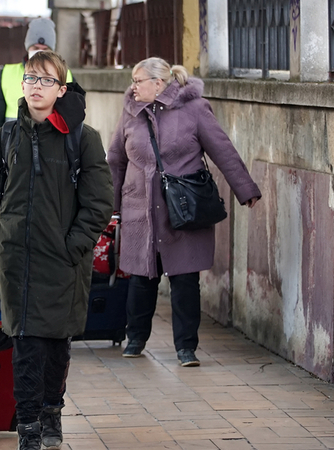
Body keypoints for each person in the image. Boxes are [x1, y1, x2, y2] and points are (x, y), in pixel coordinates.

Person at [0, 51, 112, 450]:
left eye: (46, 80)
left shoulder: (82, 138)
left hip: (63, 260)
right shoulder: (3, 137)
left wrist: (73, 247)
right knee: (24, 343)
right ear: (21, 84)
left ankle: (51, 410)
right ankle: (28, 428)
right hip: (16, 258)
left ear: (61, 89)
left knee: (56, 343)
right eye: (31, 78)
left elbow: (99, 204)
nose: (36, 86)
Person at [107, 57, 261, 367]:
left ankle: (186, 348)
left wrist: (245, 190)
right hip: (140, 209)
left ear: (158, 83)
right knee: (141, 278)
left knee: (185, 280)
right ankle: (136, 337)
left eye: (138, 80)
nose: (132, 87)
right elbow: (115, 160)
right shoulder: (130, 112)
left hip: (184, 208)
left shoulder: (193, 109)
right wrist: (109, 207)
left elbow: (222, 149)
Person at [0, 17, 73, 188]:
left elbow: (72, 126)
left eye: (45, 49)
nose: (39, 53)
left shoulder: (67, 77)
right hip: (10, 160)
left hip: (50, 164)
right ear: (27, 48)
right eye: (35, 48)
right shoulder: (7, 74)